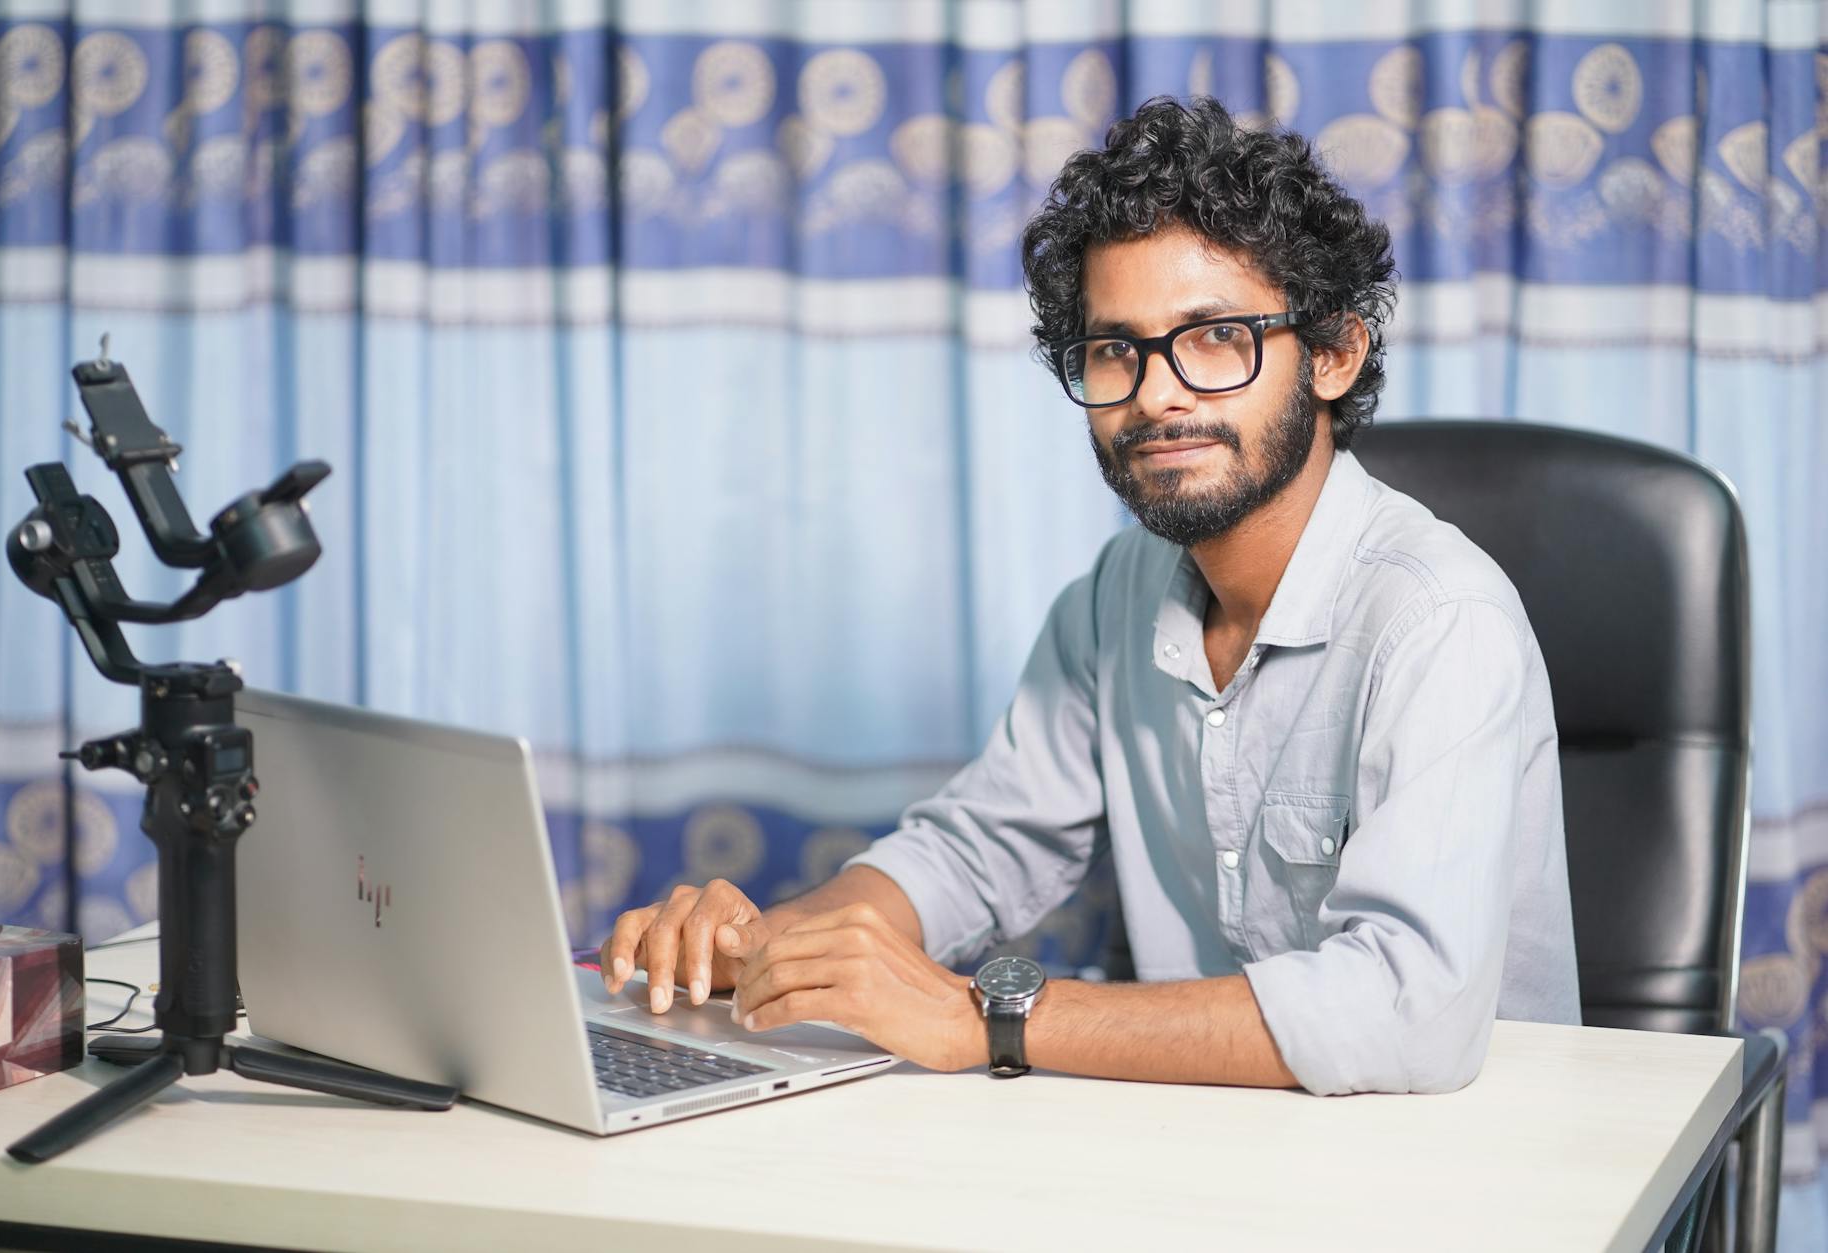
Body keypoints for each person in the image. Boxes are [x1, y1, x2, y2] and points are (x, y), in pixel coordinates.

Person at [599, 95, 1579, 1095]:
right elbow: (976, 847)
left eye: (1213, 338)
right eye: (1117, 349)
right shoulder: (1117, 596)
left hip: (1462, 1176)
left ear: (1330, 355)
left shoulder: (1438, 620)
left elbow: (1403, 1013)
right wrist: (772, 943)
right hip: (1216, 1150)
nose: (1155, 394)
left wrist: (985, 1016)